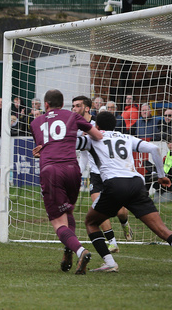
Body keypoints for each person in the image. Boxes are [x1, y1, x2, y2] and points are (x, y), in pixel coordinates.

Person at [78, 111, 172, 273]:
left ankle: (110, 262)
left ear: (97, 126)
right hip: (136, 184)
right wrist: (161, 176)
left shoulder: (93, 139)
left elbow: (69, 144)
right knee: (161, 229)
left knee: (91, 223)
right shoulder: (126, 137)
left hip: (114, 185)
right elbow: (154, 149)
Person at [30, 89, 103, 275]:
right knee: (67, 210)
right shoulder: (72, 116)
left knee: (57, 222)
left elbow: (42, 148)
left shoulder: (35, 122)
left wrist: (41, 152)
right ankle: (68, 250)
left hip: (51, 171)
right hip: (72, 170)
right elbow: (97, 135)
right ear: (63, 104)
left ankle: (81, 251)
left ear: (46, 105)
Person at [72, 96, 132, 255]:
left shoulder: (98, 124)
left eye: (77, 106)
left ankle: (125, 223)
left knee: (120, 212)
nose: (73, 109)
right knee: (98, 208)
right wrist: (78, 173)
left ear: (86, 108)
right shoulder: (76, 128)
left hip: (112, 173)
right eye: (72, 106)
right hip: (96, 175)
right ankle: (112, 242)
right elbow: (84, 154)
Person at [152, 135, 172, 203]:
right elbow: (164, 166)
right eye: (168, 143)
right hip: (165, 176)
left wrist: (164, 177)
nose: (170, 145)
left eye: (171, 143)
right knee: (148, 167)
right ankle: (145, 195)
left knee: (157, 184)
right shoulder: (169, 153)